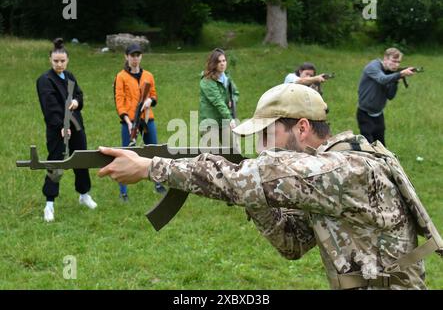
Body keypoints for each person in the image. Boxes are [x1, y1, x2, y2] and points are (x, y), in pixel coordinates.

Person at [97, 83, 437, 290]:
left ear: (301, 128)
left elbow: (259, 176)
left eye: (266, 135)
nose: (261, 148)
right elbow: (292, 242)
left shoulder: (344, 170)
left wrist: (151, 168)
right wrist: (254, 195)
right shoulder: (322, 176)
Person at [36, 38, 97, 222]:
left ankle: (84, 194)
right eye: (56, 61)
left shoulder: (69, 76)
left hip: (76, 125)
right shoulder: (45, 80)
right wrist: (61, 126)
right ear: (50, 60)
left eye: (62, 61)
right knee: (55, 163)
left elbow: (78, 94)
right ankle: (49, 203)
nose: (59, 64)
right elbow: (50, 106)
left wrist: (77, 102)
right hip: (57, 129)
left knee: (82, 158)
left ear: (67, 60)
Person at [114, 43, 166, 200]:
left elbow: (154, 95)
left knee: (154, 152)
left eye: (137, 55)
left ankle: (158, 183)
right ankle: (123, 191)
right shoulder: (121, 76)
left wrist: (150, 100)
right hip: (129, 121)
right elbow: (119, 100)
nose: (135, 59)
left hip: (147, 119)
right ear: (126, 57)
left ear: (141, 57)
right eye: (132, 56)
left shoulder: (148, 75)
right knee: (126, 154)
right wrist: (127, 121)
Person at [357, 47, 416, 146]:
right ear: (385, 58)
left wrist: (396, 81)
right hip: (365, 114)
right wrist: (400, 74)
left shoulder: (390, 74)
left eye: (398, 62)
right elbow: (382, 79)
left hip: (378, 115)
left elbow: (390, 96)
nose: (396, 65)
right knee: (368, 148)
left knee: (381, 146)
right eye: (393, 61)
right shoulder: (373, 66)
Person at [199, 48, 239, 147]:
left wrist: (232, 100)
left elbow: (235, 93)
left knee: (233, 151)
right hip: (210, 122)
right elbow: (218, 102)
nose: (222, 64)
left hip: (224, 120)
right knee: (212, 156)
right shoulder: (207, 81)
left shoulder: (227, 78)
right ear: (213, 63)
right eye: (219, 61)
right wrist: (230, 119)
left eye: (224, 61)